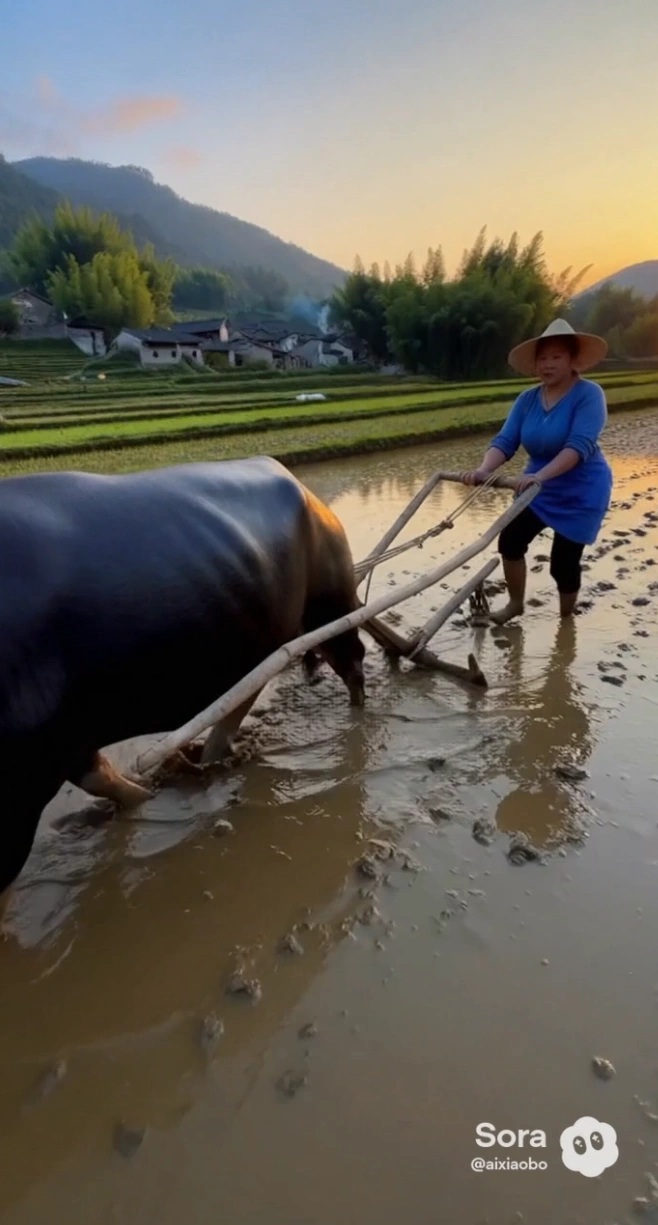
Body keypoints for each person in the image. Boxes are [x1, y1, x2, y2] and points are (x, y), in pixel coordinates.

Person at [462, 318, 613, 624]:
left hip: (581, 489)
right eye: (542, 358)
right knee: (511, 541)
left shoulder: (589, 394)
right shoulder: (527, 400)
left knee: (563, 564)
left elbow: (579, 446)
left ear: (573, 360)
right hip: (537, 488)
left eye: (556, 356)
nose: (548, 364)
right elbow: (505, 442)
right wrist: (482, 470)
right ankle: (516, 604)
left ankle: (566, 619)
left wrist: (539, 476)